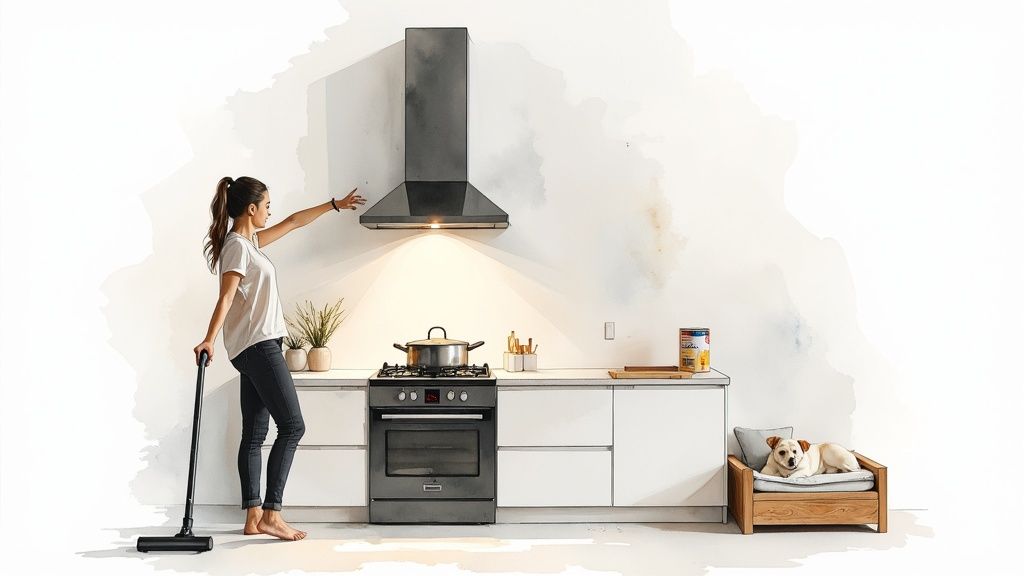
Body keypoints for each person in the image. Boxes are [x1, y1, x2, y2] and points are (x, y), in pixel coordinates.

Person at [193, 176, 365, 541]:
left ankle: (253, 516)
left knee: (254, 434)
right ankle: (272, 513)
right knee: (293, 426)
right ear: (251, 208)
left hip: (250, 347)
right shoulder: (238, 247)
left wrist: (334, 205)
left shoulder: (248, 243)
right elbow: (226, 297)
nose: (271, 211)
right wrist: (207, 339)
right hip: (260, 345)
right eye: (267, 205)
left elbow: (293, 222)